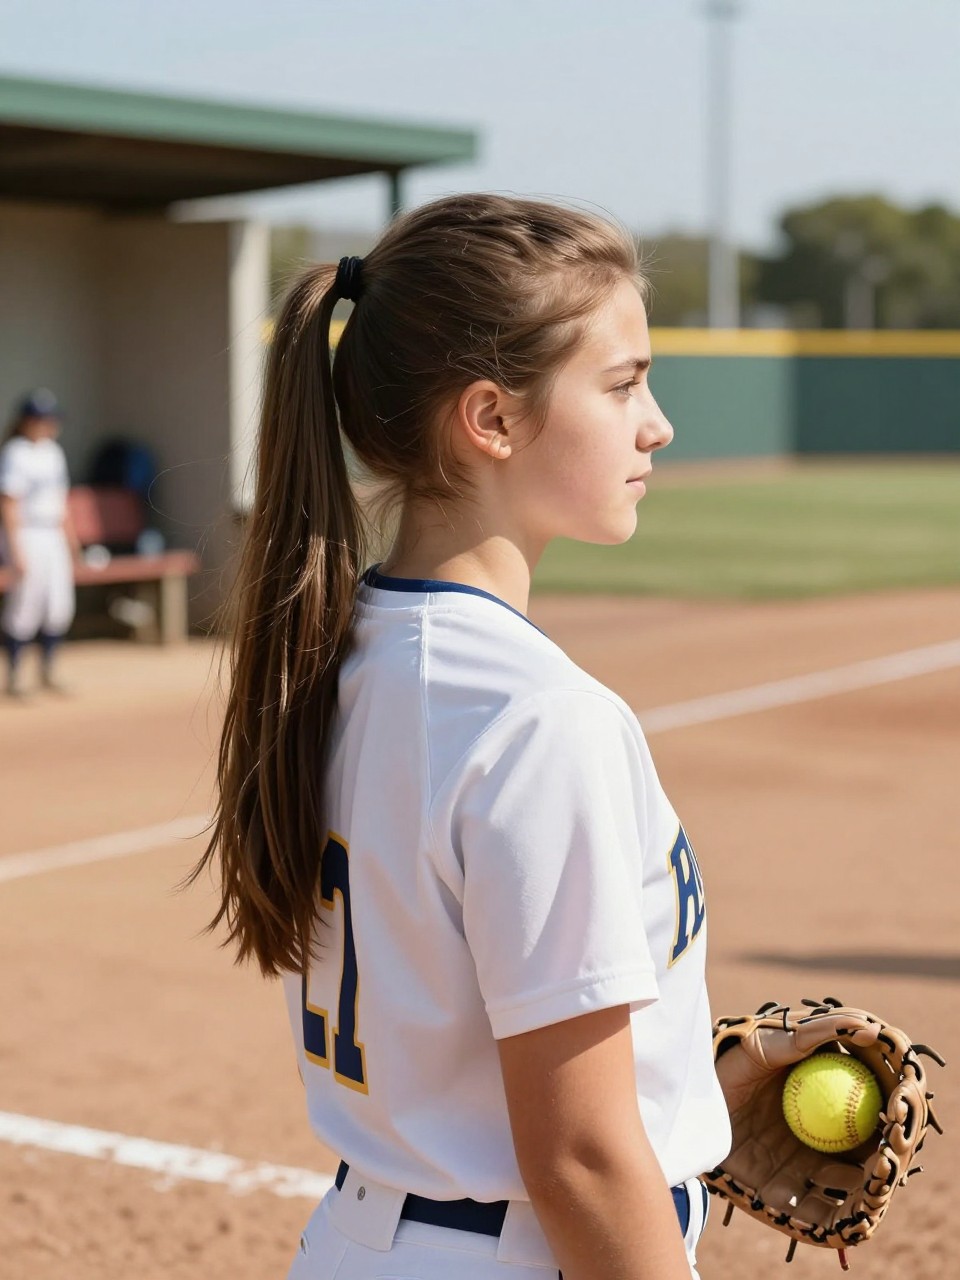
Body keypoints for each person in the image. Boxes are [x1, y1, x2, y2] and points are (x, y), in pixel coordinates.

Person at [195, 194, 732, 1280]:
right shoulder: (541, 716)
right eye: (622, 382)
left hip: (369, 1240)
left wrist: (701, 1086)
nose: (656, 422)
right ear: (491, 418)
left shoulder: (342, 653)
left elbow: (460, 1006)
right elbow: (580, 1159)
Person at [0, 389, 80, 697]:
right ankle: (15, 675)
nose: (47, 424)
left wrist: (72, 543)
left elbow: (61, 503)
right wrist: (15, 548)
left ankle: (49, 670)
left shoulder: (53, 451)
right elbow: (8, 503)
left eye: (50, 418)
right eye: (40, 419)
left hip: (52, 534)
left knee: (58, 603)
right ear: (25, 421)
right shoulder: (15, 452)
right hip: (26, 533)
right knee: (26, 603)